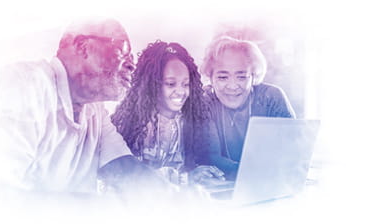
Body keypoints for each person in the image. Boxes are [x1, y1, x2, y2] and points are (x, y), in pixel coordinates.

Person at [0, 19, 164, 200]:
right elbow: (1, 195)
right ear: (83, 47)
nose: (132, 66)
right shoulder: (23, 85)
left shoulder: (95, 110)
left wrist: (177, 194)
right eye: (123, 51)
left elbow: (125, 170)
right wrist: (100, 209)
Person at [111, 40, 225, 187]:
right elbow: (131, 178)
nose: (181, 92)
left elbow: (185, 167)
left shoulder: (188, 120)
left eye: (185, 84)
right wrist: (185, 179)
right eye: (171, 84)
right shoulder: (133, 124)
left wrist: (200, 174)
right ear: (151, 85)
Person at [200, 36, 296, 181]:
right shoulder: (204, 101)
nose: (232, 86)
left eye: (241, 77)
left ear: (254, 76)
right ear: (210, 77)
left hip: (271, 184)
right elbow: (211, 157)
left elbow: (293, 150)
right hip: (224, 186)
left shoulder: (272, 98)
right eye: (223, 77)